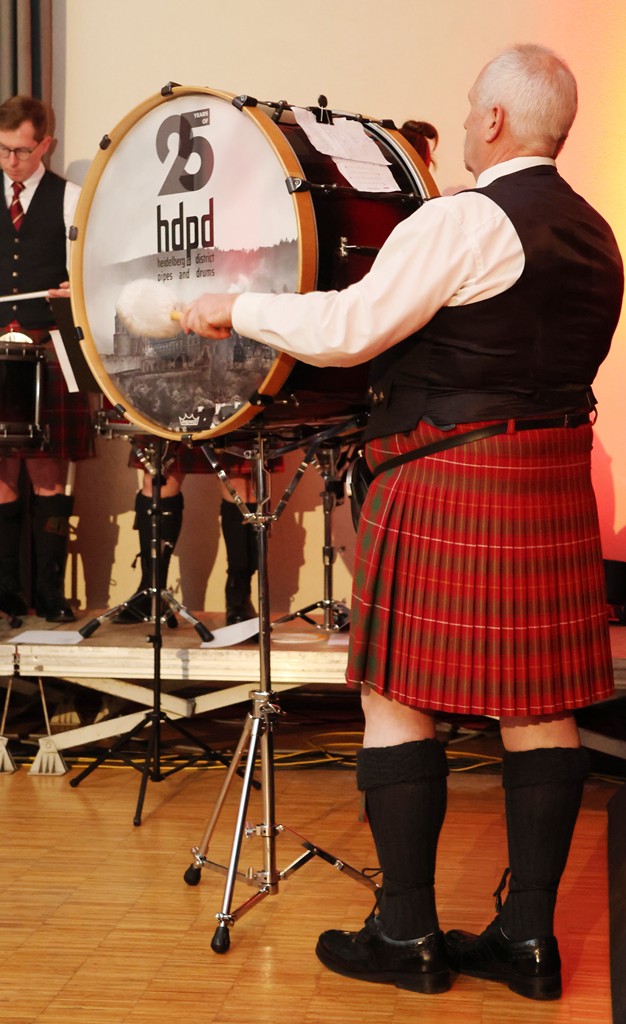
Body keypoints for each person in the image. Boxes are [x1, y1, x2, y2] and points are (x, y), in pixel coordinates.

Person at [180, 44, 624, 1000]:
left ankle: (406, 933)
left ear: (495, 120)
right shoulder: (598, 234)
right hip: (551, 481)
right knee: (541, 709)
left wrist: (236, 307)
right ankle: (529, 943)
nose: (463, 123)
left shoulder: (465, 219)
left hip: (448, 475)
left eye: (470, 109)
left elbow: (349, 329)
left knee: (394, 697)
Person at [0, 95, 93, 623]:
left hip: (48, 346)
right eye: (3, 150)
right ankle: (6, 591)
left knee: (48, 473)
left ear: (45, 145)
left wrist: (75, 289)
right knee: (1, 473)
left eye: (21, 150)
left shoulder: (70, 199)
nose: (11, 161)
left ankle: (50, 592)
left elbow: (90, 272)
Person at [113, 445, 259, 627]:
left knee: (240, 482)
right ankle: (150, 590)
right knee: (159, 477)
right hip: (173, 424)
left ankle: (239, 596)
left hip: (231, 425)